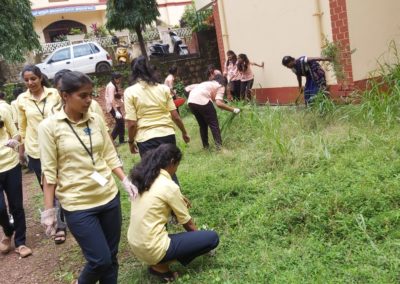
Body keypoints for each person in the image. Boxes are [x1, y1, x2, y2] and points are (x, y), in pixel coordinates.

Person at [38, 71, 138, 284]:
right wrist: (49, 211)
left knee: (111, 257)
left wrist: (124, 179)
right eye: (82, 96)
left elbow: (109, 153)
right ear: (65, 95)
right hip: (78, 204)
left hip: (108, 197)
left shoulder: (95, 119)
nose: (89, 100)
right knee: (99, 261)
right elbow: (49, 172)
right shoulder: (49, 127)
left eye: (90, 94)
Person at [128, 144, 219, 282]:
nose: (176, 170)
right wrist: (200, 242)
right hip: (152, 248)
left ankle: (158, 262)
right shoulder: (168, 185)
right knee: (211, 238)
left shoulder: (144, 179)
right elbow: (187, 224)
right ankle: (160, 267)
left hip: (136, 244)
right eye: (177, 165)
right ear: (172, 162)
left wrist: (178, 201)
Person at [124, 55, 190, 158]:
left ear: (133, 72)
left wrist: (131, 142)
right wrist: (184, 132)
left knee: (152, 173)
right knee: (168, 172)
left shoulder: (129, 92)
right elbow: (175, 116)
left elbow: (132, 124)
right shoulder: (164, 89)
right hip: (167, 135)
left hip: (146, 139)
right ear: (150, 69)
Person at [16, 65, 61, 185]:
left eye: (33, 78)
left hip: (57, 144)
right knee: (46, 183)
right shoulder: (22, 99)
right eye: (26, 80)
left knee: (62, 182)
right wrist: (21, 151)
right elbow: (22, 128)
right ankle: (51, 204)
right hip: (35, 149)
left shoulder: (55, 94)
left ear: (40, 78)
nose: (30, 83)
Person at [0, 109, 32, 258]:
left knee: (16, 205)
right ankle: (8, 230)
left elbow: (16, 133)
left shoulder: (2, 110)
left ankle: (20, 242)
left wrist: (14, 141)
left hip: (10, 164)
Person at [187, 74, 240, 150]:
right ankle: (219, 147)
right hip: (202, 100)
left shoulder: (207, 83)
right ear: (224, 82)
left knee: (202, 125)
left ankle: (205, 147)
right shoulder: (221, 86)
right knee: (214, 124)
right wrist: (233, 109)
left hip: (191, 102)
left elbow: (212, 97)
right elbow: (218, 103)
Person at [105, 72, 125, 145]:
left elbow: (115, 95)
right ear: (115, 79)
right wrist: (116, 111)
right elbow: (111, 99)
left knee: (121, 122)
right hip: (112, 106)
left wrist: (120, 98)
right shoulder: (111, 86)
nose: (120, 81)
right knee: (120, 123)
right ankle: (111, 140)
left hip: (115, 105)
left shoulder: (113, 84)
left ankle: (121, 140)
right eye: (119, 79)